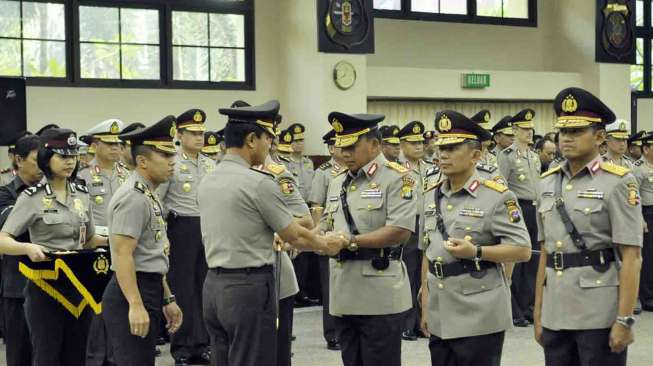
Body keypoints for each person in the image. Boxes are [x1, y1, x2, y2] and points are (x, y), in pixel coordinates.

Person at [198, 100, 346, 366]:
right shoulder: (257, 183)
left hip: (213, 287)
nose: (271, 146)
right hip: (248, 287)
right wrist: (326, 244)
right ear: (252, 140)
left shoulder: (208, 179)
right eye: (268, 138)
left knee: (224, 358)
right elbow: (296, 236)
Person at [534, 87, 642, 366]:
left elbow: (631, 256)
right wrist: (539, 314)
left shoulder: (619, 182)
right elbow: (545, 253)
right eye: (562, 132)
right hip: (556, 311)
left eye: (577, 131)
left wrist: (624, 319)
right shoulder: (547, 182)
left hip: (599, 312)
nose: (566, 138)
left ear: (599, 136)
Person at [420, 110, 531, 366]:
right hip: (440, 308)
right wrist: (425, 305)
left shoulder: (498, 196)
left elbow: (522, 249)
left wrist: (478, 252)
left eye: (452, 148)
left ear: (476, 155)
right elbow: (428, 253)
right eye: (441, 148)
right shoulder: (430, 195)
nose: (443, 155)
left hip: (480, 310)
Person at [0, 128, 108, 366]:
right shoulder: (31, 197)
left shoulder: (82, 194)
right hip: (45, 286)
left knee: (78, 355)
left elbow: (88, 240)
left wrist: (115, 240)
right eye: (62, 156)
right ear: (46, 159)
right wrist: (27, 248)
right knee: (47, 355)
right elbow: (3, 239)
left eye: (73, 156)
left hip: (80, 285)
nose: (70, 162)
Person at [321, 111, 416, 366]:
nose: (343, 154)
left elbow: (400, 230)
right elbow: (326, 225)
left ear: (375, 144)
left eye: (351, 146)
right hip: (344, 293)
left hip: (379, 295)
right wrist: (296, 238)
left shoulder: (398, 178)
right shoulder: (337, 181)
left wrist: (351, 241)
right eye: (341, 147)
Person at [102, 115, 183, 366]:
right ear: (143, 161)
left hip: (148, 286)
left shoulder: (149, 192)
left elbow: (151, 253)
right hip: (132, 291)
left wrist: (166, 297)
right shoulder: (134, 197)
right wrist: (135, 305)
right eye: (165, 156)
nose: (173, 162)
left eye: (173, 155)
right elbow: (122, 254)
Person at [157, 108, 214, 366]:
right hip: (180, 228)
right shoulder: (172, 163)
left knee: (205, 287)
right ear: (179, 135)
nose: (199, 137)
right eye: (193, 133)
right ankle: (180, 347)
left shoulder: (211, 164)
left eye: (202, 132)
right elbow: (158, 200)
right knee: (182, 288)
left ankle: (203, 344)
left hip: (207, 228)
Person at [78, 118, 130, 366]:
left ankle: (116, 355)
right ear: (95, 145)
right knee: (96, 303)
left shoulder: (128, 175)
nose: (116, 148)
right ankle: (96, 357)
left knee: (121, 302)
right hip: (97, 246)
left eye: (118, 143)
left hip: (125, 246)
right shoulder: (83, 177)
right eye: (109, 144)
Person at [0, 134, 42, 366]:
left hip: (53, 283)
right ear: (19, 159)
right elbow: (10, 227)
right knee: (20, 354)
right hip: (18, 285)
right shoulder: (5, 194)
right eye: (37, 160)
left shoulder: (55, 192)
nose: (42, 166)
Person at [497, 108, 540, 327]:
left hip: (534, 209)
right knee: (517, 260)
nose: (529, 132)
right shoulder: (507, 156)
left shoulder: (533, 156)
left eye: (531, 128)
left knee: (533, 260)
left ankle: (529, 306)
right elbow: (501, 186)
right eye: (524, 129)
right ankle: (515, 309)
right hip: (517, 208)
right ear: (514, 130)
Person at [308, 129, 346, 351]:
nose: (345, 150)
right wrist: (317, 237)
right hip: (327, 234)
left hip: (345, 237)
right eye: (341, 146)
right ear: (331, 149)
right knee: (330, 287)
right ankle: (332, 333)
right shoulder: (324, 172)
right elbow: (317, 206)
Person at [396, 120, 431, 341]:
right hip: (407, 225)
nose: (419, 146)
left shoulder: (428, 167)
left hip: (426, 224)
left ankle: (421, 322)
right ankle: (406, 324)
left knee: (423, 275)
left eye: (421, 142)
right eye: (413, 142)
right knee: (407, 275)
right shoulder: (396, 169)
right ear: (402, 144)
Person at [633, 132, 653, 312]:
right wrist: (640, 218)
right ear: (646, 149)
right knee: (648, 256)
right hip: (647, 213)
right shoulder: (638, 168)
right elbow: (635, 196)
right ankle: (647, 297)